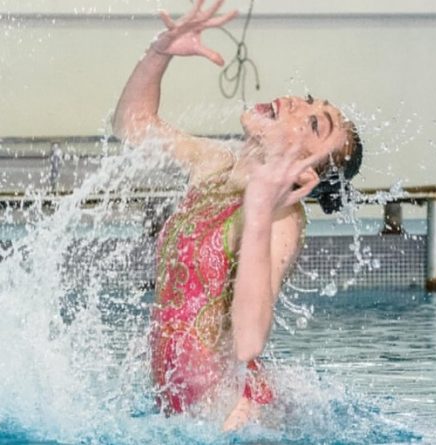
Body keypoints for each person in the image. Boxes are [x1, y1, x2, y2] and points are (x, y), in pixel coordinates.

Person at [112, 0, 363, 431]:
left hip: (228, 417)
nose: (293, 103)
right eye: (306, 101)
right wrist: (159, 53)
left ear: (304, 171)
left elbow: (247, 342)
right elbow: (132, 126)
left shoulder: (283, 218)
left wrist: (261, 208)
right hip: (176, 406)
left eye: (313, 122)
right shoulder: (216, 164)